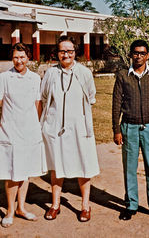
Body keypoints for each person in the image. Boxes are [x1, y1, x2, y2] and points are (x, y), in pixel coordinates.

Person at [41, 36, 99, 222]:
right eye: (62, 51)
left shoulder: (84, 73)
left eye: (70, 51)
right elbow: (43, 98)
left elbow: (91, 96)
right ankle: (55, 205)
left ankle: (85, 206)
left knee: (84, 166)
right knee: (57, 167)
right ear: (57, 53)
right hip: (55, 128)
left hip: (79, 128)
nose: (66, 54)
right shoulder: (50, 73)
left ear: (75, 52)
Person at [112, 39, 149, 222]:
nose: (139, 56)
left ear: (148, 55)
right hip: (129, 127)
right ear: (130, 54)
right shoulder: (122, 75)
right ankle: (131, 205)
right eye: (135, 53)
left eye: (142, 53)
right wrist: (116, 129)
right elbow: (116, 104)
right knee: (130, 168)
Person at [0, 43, 47, 228]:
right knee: (12, 172)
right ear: (12, 59)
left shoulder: (35, 78)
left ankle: (22, 208)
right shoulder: (4, 77)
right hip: (10, 131)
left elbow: (37, 105)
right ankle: (10, 211)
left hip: (30, 131)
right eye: (15, 57)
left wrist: (36, 127)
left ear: (28, 58)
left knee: (25, 172)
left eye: (22, 57)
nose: (19, 61)